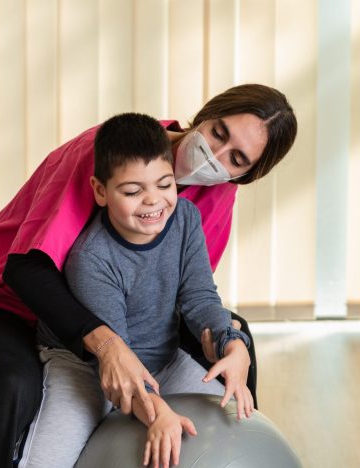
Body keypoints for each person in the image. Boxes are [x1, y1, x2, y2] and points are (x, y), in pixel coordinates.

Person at [0, 83, 297, 467]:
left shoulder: (216, 195)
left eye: (236, 159)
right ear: (206, 114)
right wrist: (141, 390)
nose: (214, 155)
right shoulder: (109, 154)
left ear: (246, 175)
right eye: (218, 132)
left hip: (104, 316)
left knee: (237, 336)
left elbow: (190, 294)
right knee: (12, 383)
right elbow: (28, 270)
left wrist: (231, 344)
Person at [17, 113, 254, 468]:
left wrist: (231, 343)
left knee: (240, 429)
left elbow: (199, 298)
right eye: (132, 191)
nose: (153, 202)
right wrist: (157, 412)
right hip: (87, 367)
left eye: (164, 184)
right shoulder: (91, 258)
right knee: (44, 462)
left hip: (163, 360)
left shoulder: (186, 219)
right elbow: (116, 360)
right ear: (101, 191)